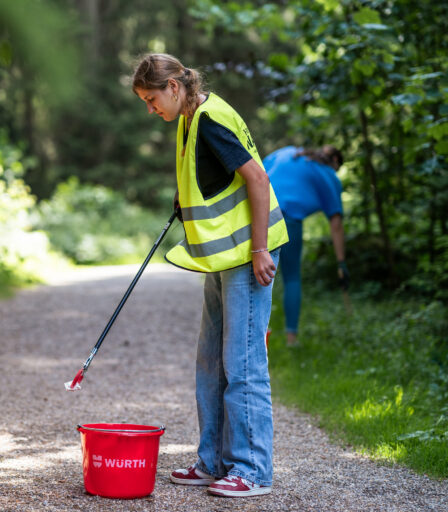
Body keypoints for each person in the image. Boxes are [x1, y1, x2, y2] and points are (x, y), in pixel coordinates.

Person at [132, 53, 288, 498]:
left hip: (248, 256)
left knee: (242, 363)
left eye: (152, 99)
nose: (151, 109)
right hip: (224, 257)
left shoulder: (212, 118)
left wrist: (260, 249)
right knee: (210, 360)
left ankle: (253, 470)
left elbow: (257, 179)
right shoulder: (190, 117)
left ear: (175, 88)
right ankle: (213, 461)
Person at [264, 145, 348, 347]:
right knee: (292, 278)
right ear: (335, 162)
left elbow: (258, 172)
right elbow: (335, 224)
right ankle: (291, 339)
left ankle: (255, 335)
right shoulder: (327, 173)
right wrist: (341, 263)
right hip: (289, 219)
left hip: (257, 213)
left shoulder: (286, 152)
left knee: (257, 276)